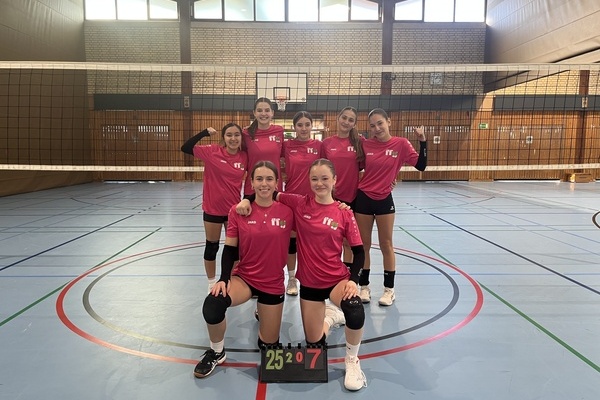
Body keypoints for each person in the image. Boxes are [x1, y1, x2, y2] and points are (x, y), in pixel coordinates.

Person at [237, 159, 368, 391]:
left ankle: (352, 361)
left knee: (355, 310)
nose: (319, 183)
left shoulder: (344, 212)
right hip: (309, 285)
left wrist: (353, 280)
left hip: (336, 280)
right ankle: (329, 318)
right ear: (309, 181)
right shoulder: (299, 203)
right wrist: (246, 199)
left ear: (335, 180)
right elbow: (267, 190)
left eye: (325, 178)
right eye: (314, 179)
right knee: (315, 344)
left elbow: (359, 252)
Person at [193, 161, 294, 379]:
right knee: (213, 304)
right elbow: (230, 248)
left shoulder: (288, 212)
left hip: (273, 283)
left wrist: (340, 208)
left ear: (277, 183)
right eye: (259, 179)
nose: (264, 184)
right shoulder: (238, 211)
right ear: (251, 182)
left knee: (269, 346)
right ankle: (217, 351)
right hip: (245, 278)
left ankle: (265, 322)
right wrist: (223, 278)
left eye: (269, 179)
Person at [354, 108, 426, 306]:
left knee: (386, 244)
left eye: (380, 123)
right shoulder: (366, 144)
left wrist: (422, 141)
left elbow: (421, 165)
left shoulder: (401, 144)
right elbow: (355, 166)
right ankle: (364, 287)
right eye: (372, 126)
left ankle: (389, 290)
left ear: (389, 122)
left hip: (384, 199)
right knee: (363, 245)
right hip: (363, 198)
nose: (377, 128)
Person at [181, 123, 247, 293]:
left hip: (234, 211)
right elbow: (185, 147)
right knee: (212, 247)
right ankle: (211, 283)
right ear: (223, 137)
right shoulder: (212, 151)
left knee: (235, 249)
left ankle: (231, 280)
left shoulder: (244, 157)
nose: (233, 138)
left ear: (241, 138)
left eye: (237, 135)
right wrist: (204, 133)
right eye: (229, 135)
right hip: (213, 209)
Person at [242, 98, 299, 295]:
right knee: (256, 237)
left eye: (267, 110)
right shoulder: (246, 134)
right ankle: (254, 278)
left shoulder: (279, 132)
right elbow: (237, 154)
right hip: (253, 191)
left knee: (287, 237)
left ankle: (291, 278)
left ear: (273, 113)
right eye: (260, 110)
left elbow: (288, 155)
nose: (264, 113)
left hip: (276, 191)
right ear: (254, 113)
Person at [281, 111, 322, 295]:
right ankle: (291, 279)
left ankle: (311, 277)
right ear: (294, 127)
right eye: (300, 125)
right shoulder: (286, 145)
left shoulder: (319, 146)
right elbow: (268, 156)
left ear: (311, 126)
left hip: (313, 200)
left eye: (307, 124)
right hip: (291, 200)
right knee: (291, 242)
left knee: (311, 242)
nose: (304, 128)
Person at [321, 106, 365, 264]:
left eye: (351, 120)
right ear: (338, 118)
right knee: (330, 239)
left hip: (352, 198)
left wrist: (390, 179)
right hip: (331, 198)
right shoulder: (327, 143)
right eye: (344, 118)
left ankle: (346, 272)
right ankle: (330, 270)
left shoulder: (359, 142)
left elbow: (374, 163)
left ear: (354, 124)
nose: (346, 122)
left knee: (348, 242)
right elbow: (321, 170)